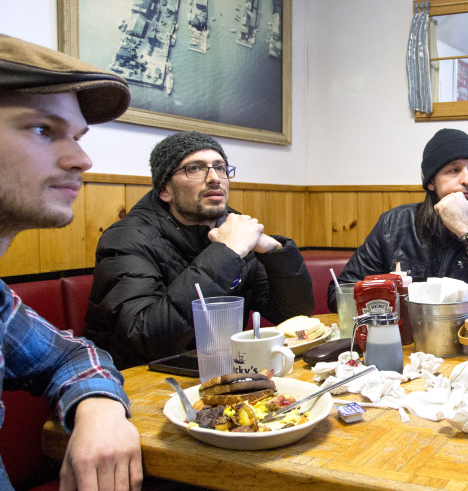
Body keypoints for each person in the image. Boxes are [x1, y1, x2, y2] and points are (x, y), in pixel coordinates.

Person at [0, 24, 301, 491]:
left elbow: (69, 351)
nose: (83, 157)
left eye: (77, 134)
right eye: (42, 129)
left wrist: (96, 406)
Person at [84, 130, 314, 370]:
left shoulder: (234, 227)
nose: (214, 178)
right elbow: (146, 336)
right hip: (134, 383)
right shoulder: (126, 238)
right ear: (165, 190)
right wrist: (225, 253)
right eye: (194, 168)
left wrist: (275, 252)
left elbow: (293, 314)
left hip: (220, 373)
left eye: (220, 168)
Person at [329, 128, 468, 307]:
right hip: (409, 343)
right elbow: (339, 294)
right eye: (454, 170)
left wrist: (466, 230)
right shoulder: (393, 225)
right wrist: (390, 295)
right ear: (430, 182)